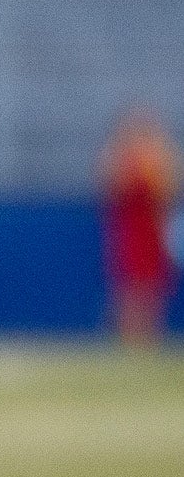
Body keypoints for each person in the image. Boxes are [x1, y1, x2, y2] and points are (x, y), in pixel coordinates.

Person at [102, 108, 177, 348]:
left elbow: (168, 192)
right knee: (129, 290)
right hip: (130, 231)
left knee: (151, 288)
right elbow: (110, 190)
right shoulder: (121, 160)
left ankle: (148, 340)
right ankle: (128, 341)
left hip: (152, 231)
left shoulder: (159, 160)